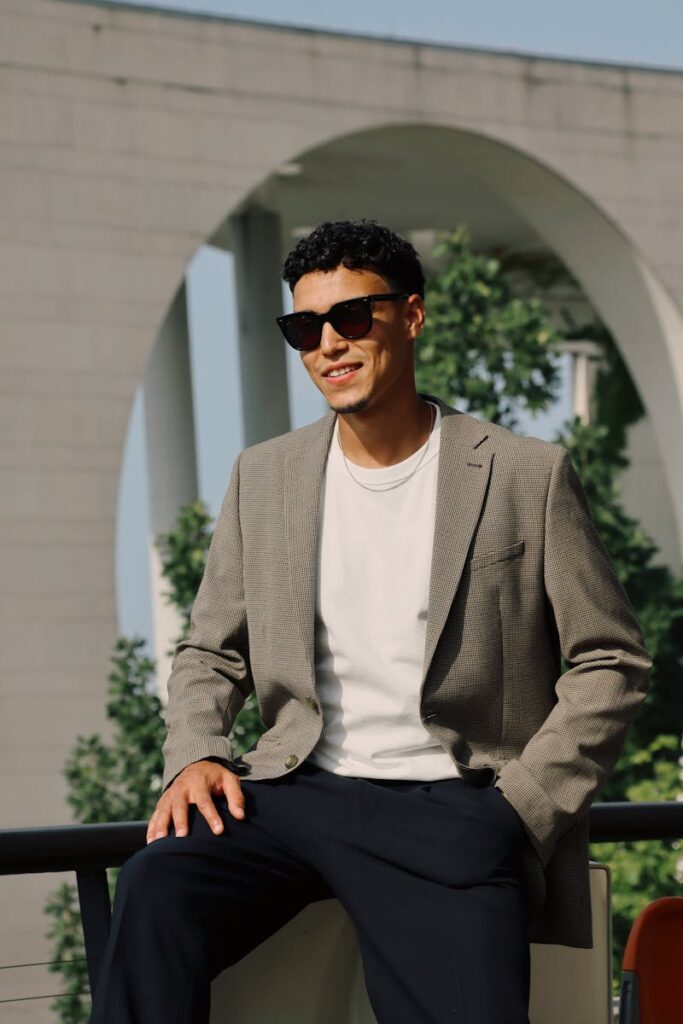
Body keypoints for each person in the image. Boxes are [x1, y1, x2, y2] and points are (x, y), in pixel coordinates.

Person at [89, 219, 651, 1023]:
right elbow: (209, 650)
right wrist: (194, 755)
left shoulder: (524, 474)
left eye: (352, 318)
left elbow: (611, 661)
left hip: (451, 809)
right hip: (292, 793)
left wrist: (522, 805)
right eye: (303, 328)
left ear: (411, 317)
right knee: (153, 884)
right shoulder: (265, 475)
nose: (328, 344)